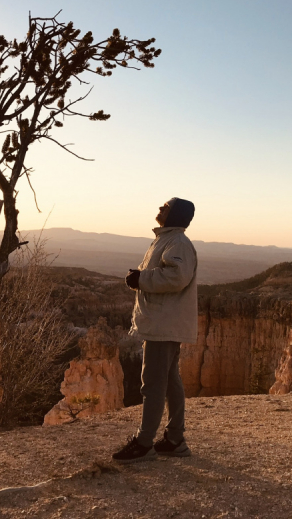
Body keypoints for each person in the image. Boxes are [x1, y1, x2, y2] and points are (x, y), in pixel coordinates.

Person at [112, 197, 198, 463]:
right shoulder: (169, 240)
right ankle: (174, 439)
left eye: (166, 206)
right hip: (163, 323)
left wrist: (141, 279)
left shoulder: (178, 243)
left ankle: (144, 442)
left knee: (152, 384)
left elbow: (177, 277)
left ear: (175, 214)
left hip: (164, 325)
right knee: (171, 382)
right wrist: (141, 276)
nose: (160, 208)